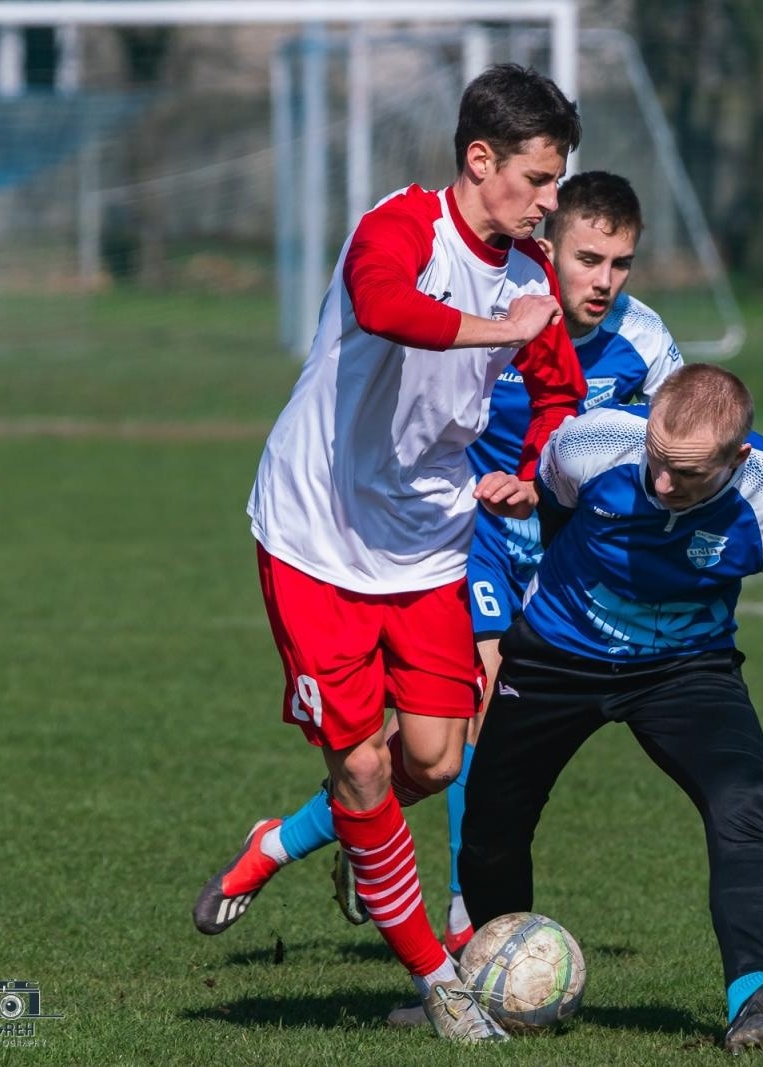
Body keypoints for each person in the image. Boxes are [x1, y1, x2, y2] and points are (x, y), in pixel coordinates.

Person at [192, 64, 586, 1044]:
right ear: (479, 159)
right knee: (364, 766)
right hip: (315, 532)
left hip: (426, 545)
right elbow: (384, 309)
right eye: (537, 181)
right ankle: (440, 982)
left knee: (434, 754)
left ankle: (287, 842)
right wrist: (503, 327)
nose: (549, 203)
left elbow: (558, 395)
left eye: (556, 183)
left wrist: (530, 465)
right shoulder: (399, 227)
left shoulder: (531, 274)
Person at [194, 172, 682, 959]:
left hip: (559, 551)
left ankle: (291, 839)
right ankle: (463, 923)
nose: (604, 279)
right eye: (589, 258)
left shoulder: (647, 344)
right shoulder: (504, 295)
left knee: (430, 757)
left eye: (620, 263)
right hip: (472, 535)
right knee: (482, 711)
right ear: (548, 247)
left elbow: (681, 440)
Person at [456, 364, 763, 1053]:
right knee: (493, 822)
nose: (663, 484)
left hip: (686, 668)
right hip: (557, 651)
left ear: (737, 458)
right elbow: (556, 511)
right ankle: (492, 993)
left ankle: (754, 1002)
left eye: (688, 473)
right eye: (657, 461)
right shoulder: (591, 443)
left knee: (745, 799)